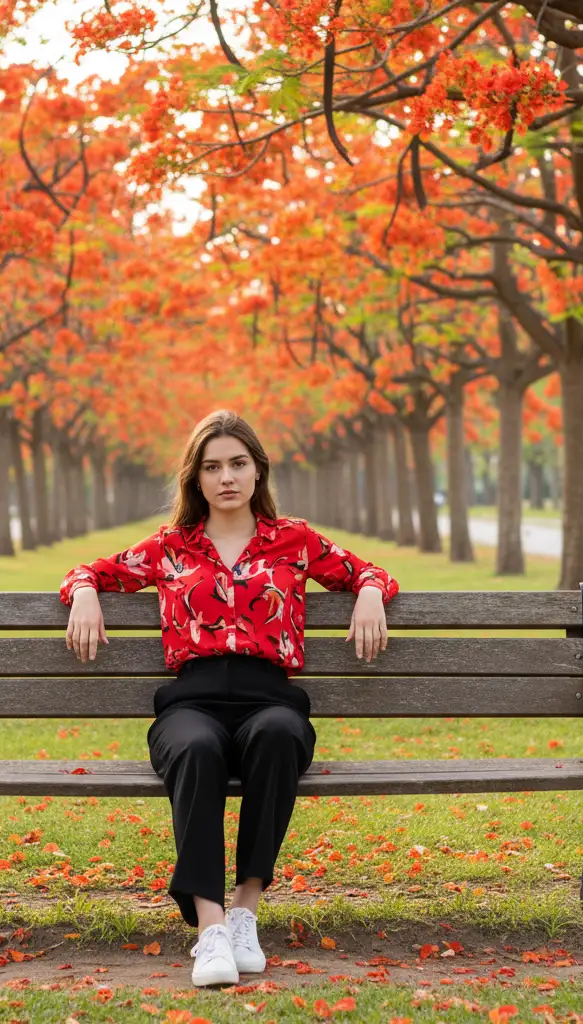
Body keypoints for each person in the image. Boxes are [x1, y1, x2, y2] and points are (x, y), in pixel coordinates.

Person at [59, 410, 398, 987]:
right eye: (212, 467)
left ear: (258, 470)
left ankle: (244, 912)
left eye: (238, 464)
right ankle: (211, 927)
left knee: (280, 736)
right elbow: (86, 572)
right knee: (196, 749)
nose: (227, 478)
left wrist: (368, 594)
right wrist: (86, 593)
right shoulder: (171, 546)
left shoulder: (293, 540)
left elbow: (370, 572)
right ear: (196, 478)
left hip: (271, 701)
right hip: (191, 705)